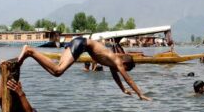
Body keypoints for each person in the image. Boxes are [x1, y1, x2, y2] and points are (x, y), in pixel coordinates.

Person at [17, 37, 151, 101]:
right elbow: (128, 79)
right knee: (58, 70)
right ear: (125, 65)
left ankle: (26, 55)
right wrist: (140, 94)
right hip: (81, 44)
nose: (123, 71)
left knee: (55, 72)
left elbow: (116, 76)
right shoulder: (118, 61)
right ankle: (30, 51)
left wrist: (123, 90)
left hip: (79, 42)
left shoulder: (112, 62)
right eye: (126, 69)